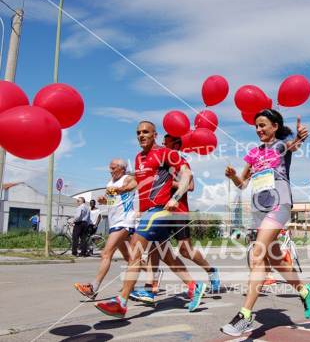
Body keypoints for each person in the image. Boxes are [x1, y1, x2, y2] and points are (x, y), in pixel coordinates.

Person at [95, 121, 206, 318]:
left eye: (146, 132)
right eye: (138, 132)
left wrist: (175, 197)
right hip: (147, 212)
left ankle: (121, 301)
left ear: (155, 134)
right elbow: (139, 184)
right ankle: (193, 286)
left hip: (160, 211)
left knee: (136, 249)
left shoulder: (165, 153)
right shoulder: (138, 158)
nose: (141, 135)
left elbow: (187, 174)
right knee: (166, 256)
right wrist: (116, 195)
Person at [221, 109, 310, 337]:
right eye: (256, 126)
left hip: (279, 205)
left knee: (257, 254)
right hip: (259, 210)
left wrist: (302, 138)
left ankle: (245, 315)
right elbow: (242, 184)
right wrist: (233, 175)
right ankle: (304, 290)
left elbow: (295, 145)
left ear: (275, 126)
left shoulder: (281, 146)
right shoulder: (253, 153)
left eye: (263, 125)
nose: (258, 129)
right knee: (272, 257)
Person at [131, 134, 220, 303]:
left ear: (177, 144)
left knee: (185, 250)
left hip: (178, 210)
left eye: (167, 142)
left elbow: (191, 186)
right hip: (160, 211)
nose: (163, 145)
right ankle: (150, 288)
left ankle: (210, 270)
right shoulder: (156, 159)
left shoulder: (177, 160)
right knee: (154, 247)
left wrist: (166, 182)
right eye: (163, 142)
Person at [74, 159, 137, 299]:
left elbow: (131, 187)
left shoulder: (128, 178)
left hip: (125, 221)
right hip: (114, 222)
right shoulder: (110, 183)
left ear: (122, 168)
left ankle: (93, 288)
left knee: (106, 253)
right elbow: (113, 201)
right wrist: (104, 201)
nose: (110, 170)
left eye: (113, 168)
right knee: (129, 257)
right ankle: (152, 274)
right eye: (110, 168)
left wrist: (115, 190)